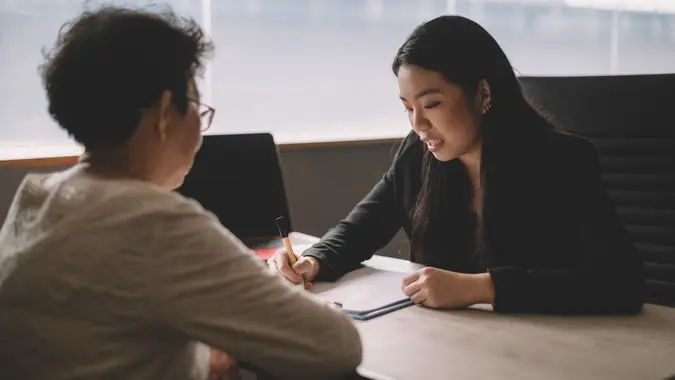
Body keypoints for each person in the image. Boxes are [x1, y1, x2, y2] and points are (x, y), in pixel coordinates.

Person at [0, 6, 362, 380]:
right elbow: (335, 344)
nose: (199, 125)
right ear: (162, 113)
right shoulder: (152, 221)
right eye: (194, 105)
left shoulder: (37, 200)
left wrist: (200, 355)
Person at [269, 15, 644, 315]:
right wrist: (312, 260)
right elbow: (357, 231)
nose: (417, 124)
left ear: (483, 93)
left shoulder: (562, 161)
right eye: (407, 108)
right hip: (449, 350)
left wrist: (483, 287)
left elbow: (620, 284)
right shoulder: (418, 155)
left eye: (431, 105)